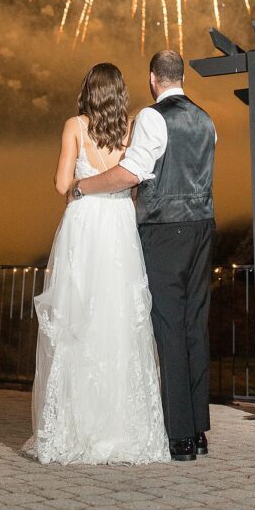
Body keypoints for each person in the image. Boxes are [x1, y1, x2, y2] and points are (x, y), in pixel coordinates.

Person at [70, 50, 216, 462]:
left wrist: (84, 187)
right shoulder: (207, 119)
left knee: (167, 328)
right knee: (194, 327)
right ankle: (199, 430)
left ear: (154, 79)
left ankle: (179, 435)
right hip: (203, 227)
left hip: (165, 230)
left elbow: (131, 173)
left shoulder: (153, 117)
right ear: (181, 77)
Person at [24, 62, 171, 466]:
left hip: (85, 222)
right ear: (120, 93)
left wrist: (80, 184)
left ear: (88, 91)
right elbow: (136, 177)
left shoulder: (74, 125)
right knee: (119, 320)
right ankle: (121, 428)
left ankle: (76, 426)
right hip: (119, 224)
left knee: (78, 321)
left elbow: (60, 184)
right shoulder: (130, 127)